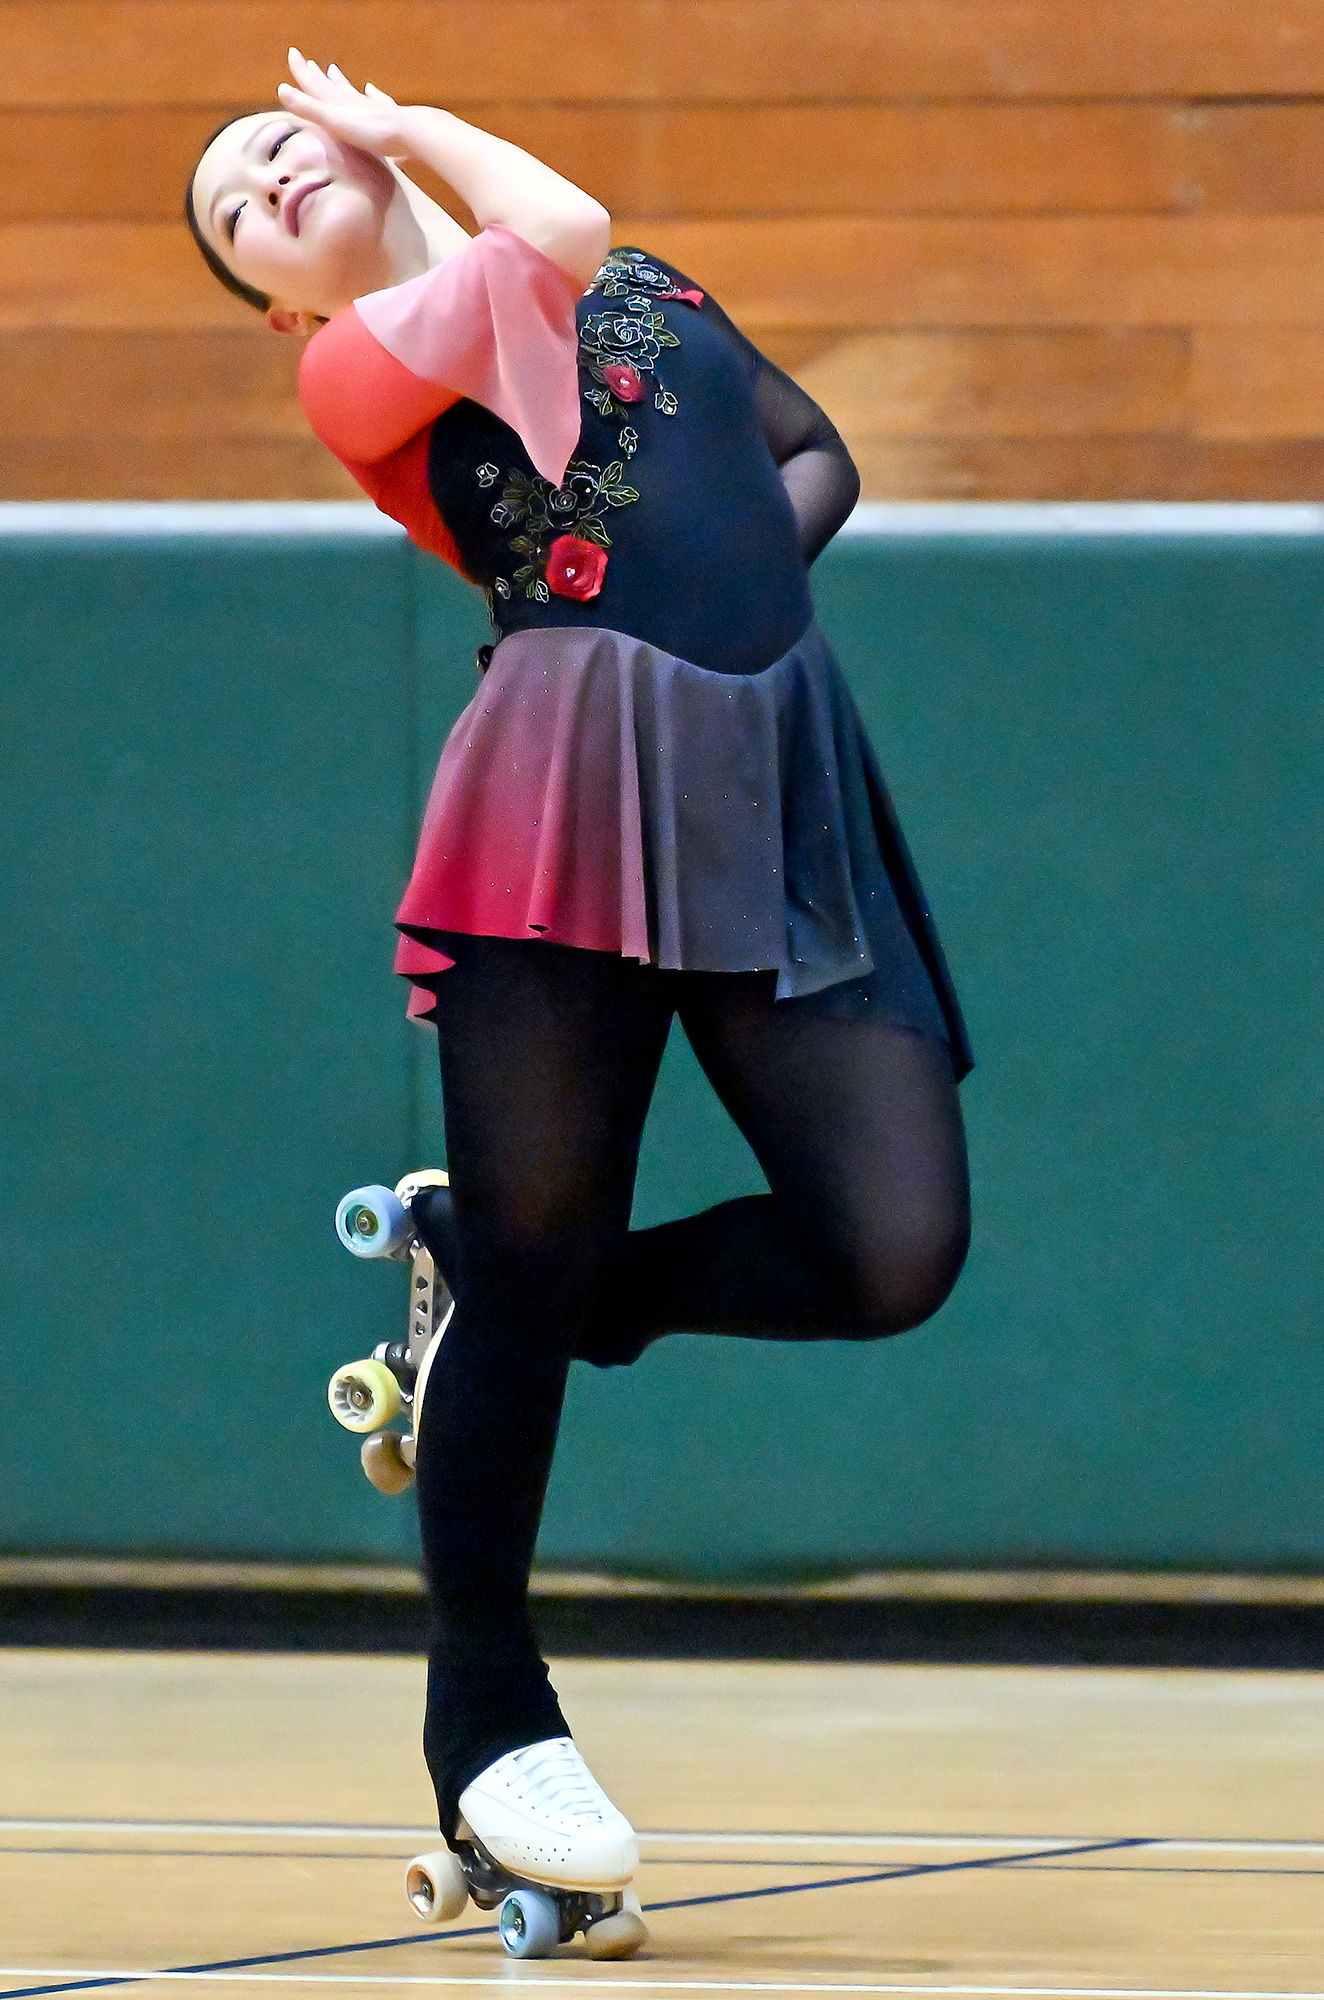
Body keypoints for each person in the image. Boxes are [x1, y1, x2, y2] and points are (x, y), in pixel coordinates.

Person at [188, 51, 973, 1908]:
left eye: (279, 142)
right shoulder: (355, 361)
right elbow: (545, 224)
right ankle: (487, 1731)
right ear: (279, 306)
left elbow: (812, 453)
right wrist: (401, 134)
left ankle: (511, 1280)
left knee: (889, 1252)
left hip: (759, 769)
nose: (271, 179)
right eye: (238, 212)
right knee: (535, 1261)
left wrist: (714, 631)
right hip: (558, 793)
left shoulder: (641, 288)